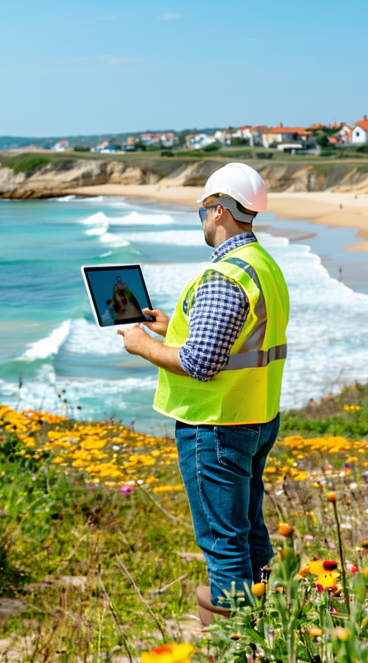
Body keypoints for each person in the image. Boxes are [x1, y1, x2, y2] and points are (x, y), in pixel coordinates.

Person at [116, 162, 289, 624]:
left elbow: (199, 363)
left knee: (222, 539)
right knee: (249, 529)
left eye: (204, 210)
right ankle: (267, 626)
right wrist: (172, 323)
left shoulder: (224, 276)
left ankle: (236, 643)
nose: (203, 219)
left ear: (218, 212)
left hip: (215, 426)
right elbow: (239, 335)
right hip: (256, 415)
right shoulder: (263, 265)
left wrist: (144, 345)